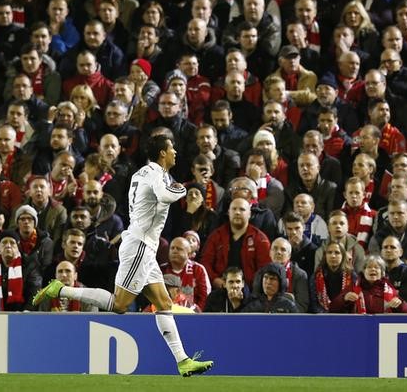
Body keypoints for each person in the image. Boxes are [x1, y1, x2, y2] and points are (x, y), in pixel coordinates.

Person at [32, 135, 213, 377]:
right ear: (162, 153)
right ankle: (61, 289)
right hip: (139, 245)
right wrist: (184, 189)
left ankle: (183, 361)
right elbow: (166, 195)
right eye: (171, 149)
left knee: (164, 304)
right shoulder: (156, 174)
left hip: (144, 245)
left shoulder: (142, 174)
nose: (175, 153)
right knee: (119, 305)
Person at [251, 237, 309, 312]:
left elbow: (302, 306)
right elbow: (255, 300)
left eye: (283, 250)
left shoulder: (299, 275)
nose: (278, 252)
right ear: (270, 253)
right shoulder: (260, 273)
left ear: (289, 256)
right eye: (275, 249)